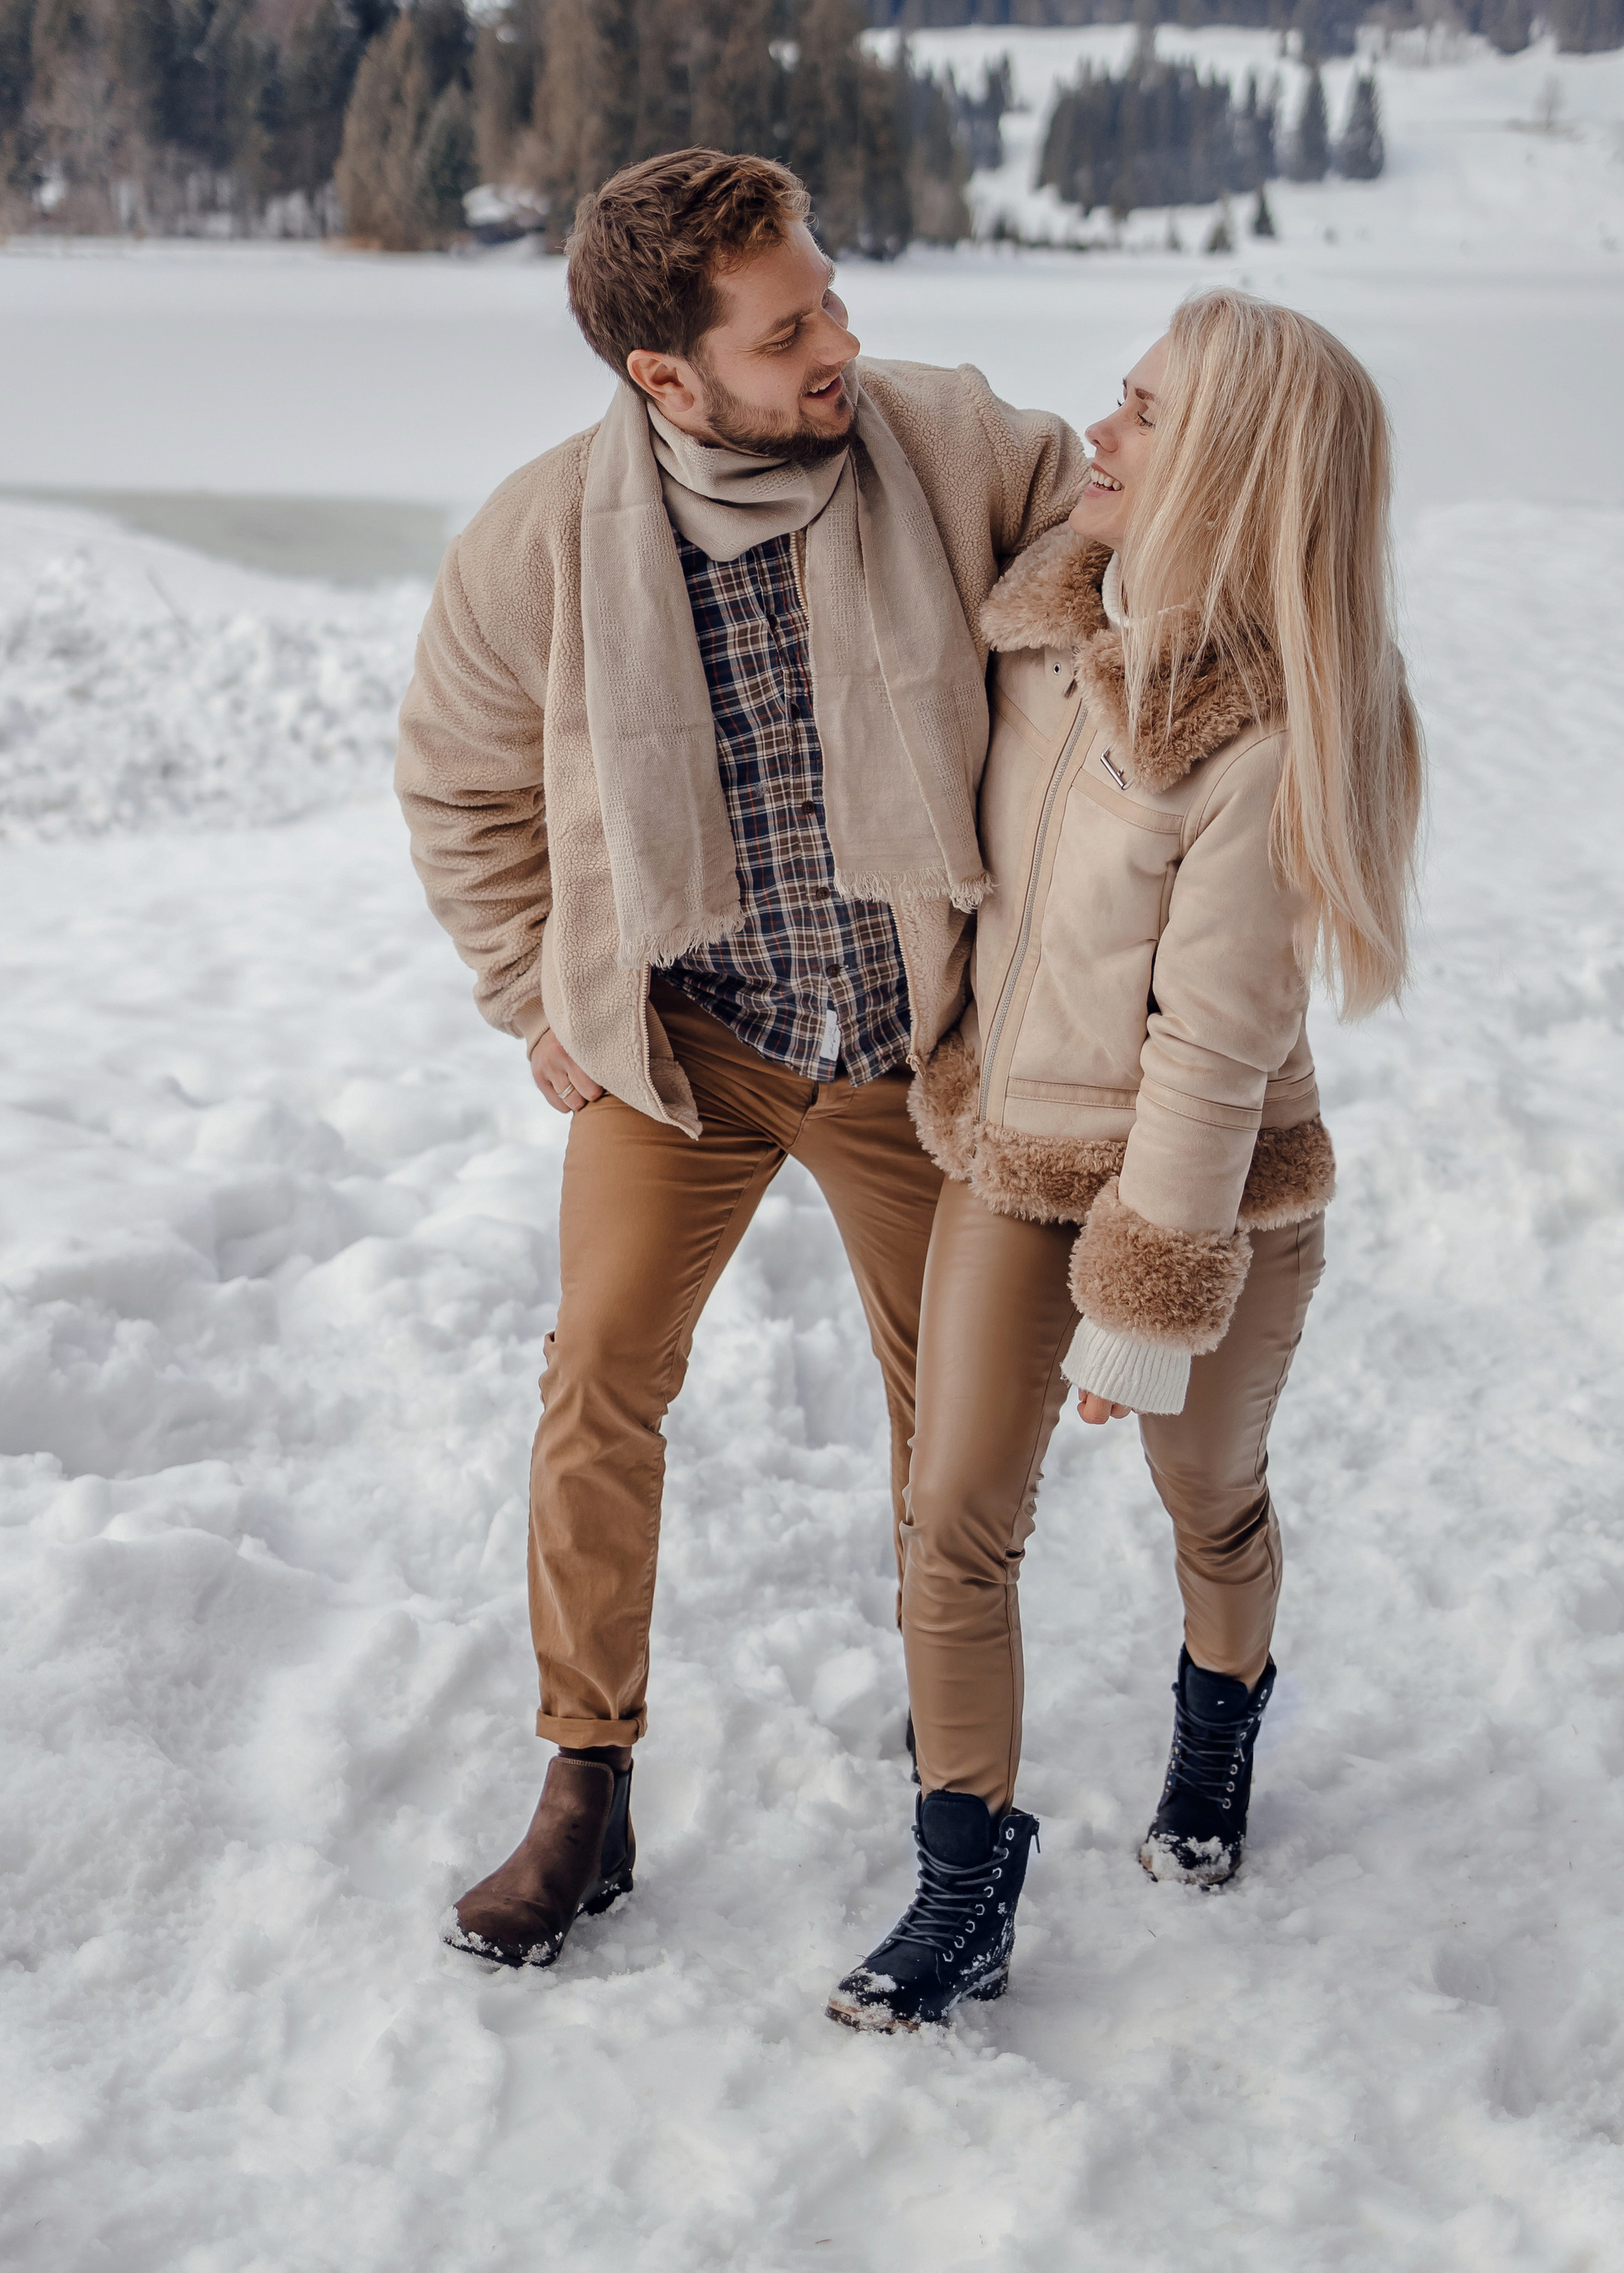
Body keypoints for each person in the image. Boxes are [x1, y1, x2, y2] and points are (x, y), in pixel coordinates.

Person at [396, 147, 1085, 1968]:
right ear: (665, 376)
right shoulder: (540, 539)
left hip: (905, 1057)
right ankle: (582, 1783)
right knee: (597, 1381)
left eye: (833, 297)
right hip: (682, 1053)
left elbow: (1119, 534)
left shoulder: (942, 443)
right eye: (790, 333)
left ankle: (956, 1794)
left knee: (958, 1435)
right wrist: (532, 996)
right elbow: (458, 783)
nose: (839, 342)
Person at [828, 288, 1425, 2032]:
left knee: (1203, 1496)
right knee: (950, 1521)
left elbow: (1211, 1042)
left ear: (1227, 469)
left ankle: (1216, 1731)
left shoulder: (1262, 728)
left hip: (1207, 1189)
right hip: (1008, 1150)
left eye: (1143, 413)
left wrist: (1145, 1300)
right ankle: (961, 1890)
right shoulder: (1041, 627)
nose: (1098, 431)